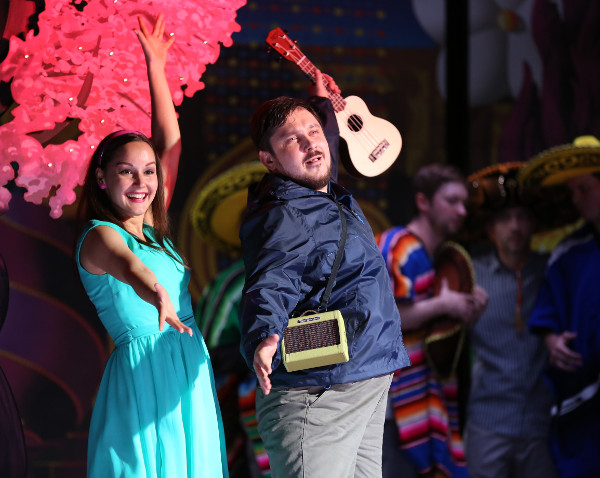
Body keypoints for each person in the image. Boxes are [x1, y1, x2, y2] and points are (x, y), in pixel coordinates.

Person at [75, 15, 228, 477]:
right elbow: (129, 268)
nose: (141, 181)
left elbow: (171, 146)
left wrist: (155, 66)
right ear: (102, 178)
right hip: (144, 370)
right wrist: (158, 294)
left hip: (185, 360)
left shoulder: (156, 235)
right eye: (126, 171)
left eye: (148, 171)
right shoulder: (101, 235)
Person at [238, 74, 411, 477]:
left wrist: (320, 105)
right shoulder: (284, 213)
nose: (310, 143)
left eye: (314, 132)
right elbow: (271, 279)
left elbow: (322, 150)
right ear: (269, 160)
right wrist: (265, 335)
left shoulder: (323, 196)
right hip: (318, 395)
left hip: (364, 379)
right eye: (291, 140)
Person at [375, 163, 487, 478]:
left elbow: (437, 330)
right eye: (451, 201)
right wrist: (445, 304)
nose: (462, 210)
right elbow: (387, 319)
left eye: (464, 203)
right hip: (390, 406)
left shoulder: (435, 256)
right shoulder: (398, 245)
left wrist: (465, 304)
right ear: (423, 202)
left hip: (421, 399)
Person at [463, 163, 558, 478]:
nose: (514, 226)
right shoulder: (471, 275)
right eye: (505, 219)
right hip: (488, 420)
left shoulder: (552, 271)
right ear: (491, 230)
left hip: (542, 422)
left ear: (534, 225)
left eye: (522, 218)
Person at [521, 135, 600, 478]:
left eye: (584, 188)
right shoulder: (569, 250)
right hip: (583, 403)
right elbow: (547, 311)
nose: (576, 199)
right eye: (572, 191)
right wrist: (552, 342)